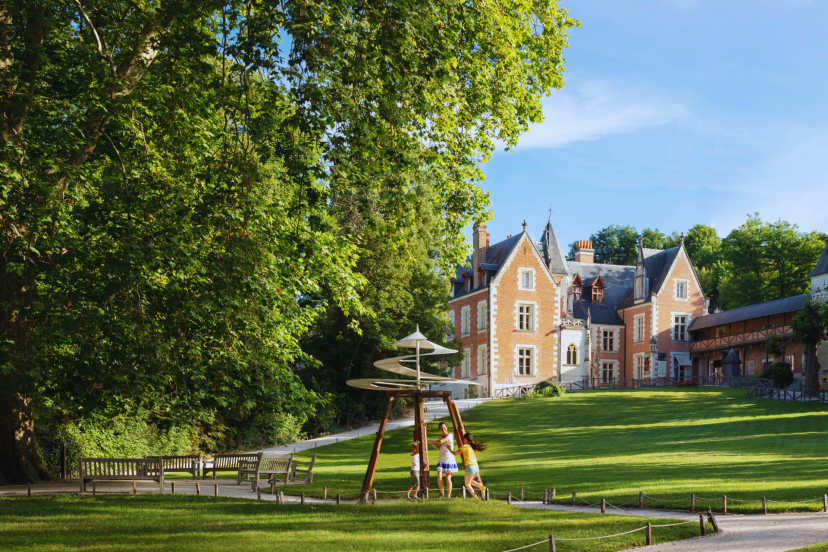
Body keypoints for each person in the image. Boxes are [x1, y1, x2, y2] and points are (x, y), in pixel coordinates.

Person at [450, 432, 487, 498]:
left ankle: (476, 498)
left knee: (467, 484)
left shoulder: (465, 446)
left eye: (463, 439)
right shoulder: (473, 447)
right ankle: (481, 486)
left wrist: (449, 448)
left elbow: (455, 453)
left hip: (470, 467)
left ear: (465, 439)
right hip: (476, 467)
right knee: (470, 481)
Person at [428, 422, 458, 498]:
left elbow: (442, 441)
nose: (443, 429)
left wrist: (431, 441)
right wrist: (432, 444)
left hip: (449, 458)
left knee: (448, 478)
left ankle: (448, 495)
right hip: (441, 458)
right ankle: (441, 493)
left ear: (446, 427)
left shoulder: (450, 435)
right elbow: (440, 448)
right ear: (439, 429)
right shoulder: (439, 437)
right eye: (441, 428)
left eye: (444, 427)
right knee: (439, 477)